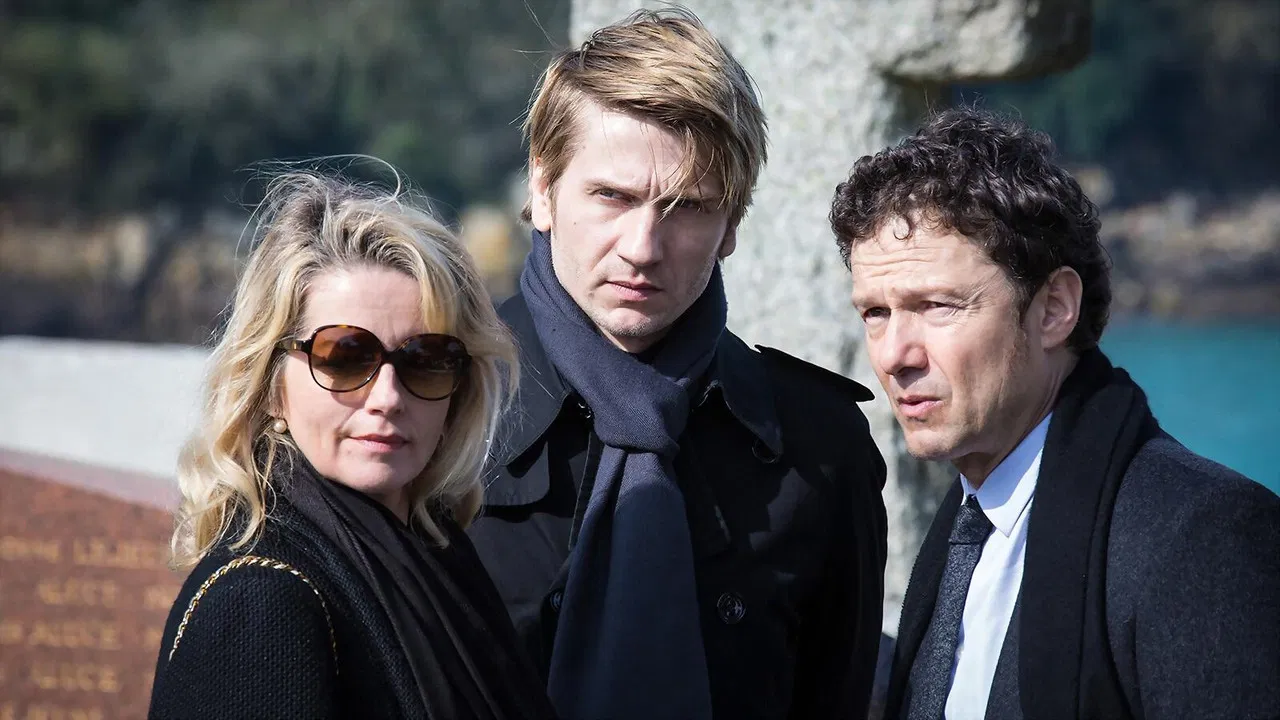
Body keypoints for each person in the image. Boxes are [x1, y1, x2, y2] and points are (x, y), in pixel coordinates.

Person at [465, 8, 888, 720]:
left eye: (686, 207)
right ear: (542, 191)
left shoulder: (819, 448)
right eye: (612, 196)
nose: (642, 247)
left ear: (732, 226)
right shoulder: (435, 405)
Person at [830, 107, 1280, 719]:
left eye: (937, 305)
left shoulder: (1201, 536)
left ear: (1054, 309)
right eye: (876, 313)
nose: (893, 355)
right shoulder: (968, 530)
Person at [148, 170, 557, 719]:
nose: (387, 397)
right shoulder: (263, 602)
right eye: (344, 356)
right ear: (270, 385)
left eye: (425, 360)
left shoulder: (441, 560)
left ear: (458, 390)